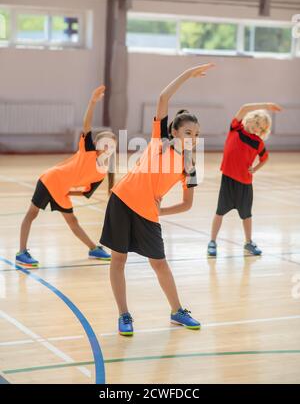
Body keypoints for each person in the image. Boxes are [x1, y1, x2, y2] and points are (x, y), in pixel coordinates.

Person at [100, 63, 215, 336]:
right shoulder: (158, 141)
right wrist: (188, 74)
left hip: (148, 214)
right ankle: (124, 314)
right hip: (121, 200)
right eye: (188, 133)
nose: (193, 138)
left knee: (159, 263)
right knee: (119, 259)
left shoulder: (190, 166)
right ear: (175, 132)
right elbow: (164, 98)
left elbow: (187, 204)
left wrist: (159, 211)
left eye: (196, 135)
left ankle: (177, 311)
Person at [17, 85, 115, 266]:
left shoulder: (101, 173)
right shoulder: (88, 151)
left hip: (61, 190)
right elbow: (87, 124)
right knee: (32, 214)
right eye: (106, 143)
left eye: (113, 145)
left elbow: (85, 193)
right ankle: (21, 252)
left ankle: (93, 249)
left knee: (73, 221)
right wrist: (92, 102)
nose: (109, 147)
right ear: (97, 144)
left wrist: (69, 193)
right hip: (51, 180)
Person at [207, 102, 282, 257]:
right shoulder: (236, 128)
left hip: (245, 183)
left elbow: (265, 158)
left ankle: (248, 242)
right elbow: (243, 108)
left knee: (247, 215)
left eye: (261, 128)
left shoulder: (258, 143)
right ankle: (212, 241)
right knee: (219, 212)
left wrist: (255, 169)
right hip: (228, 180)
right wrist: (266, 105)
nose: (256, 129)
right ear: (249, 120)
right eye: (256, 124)